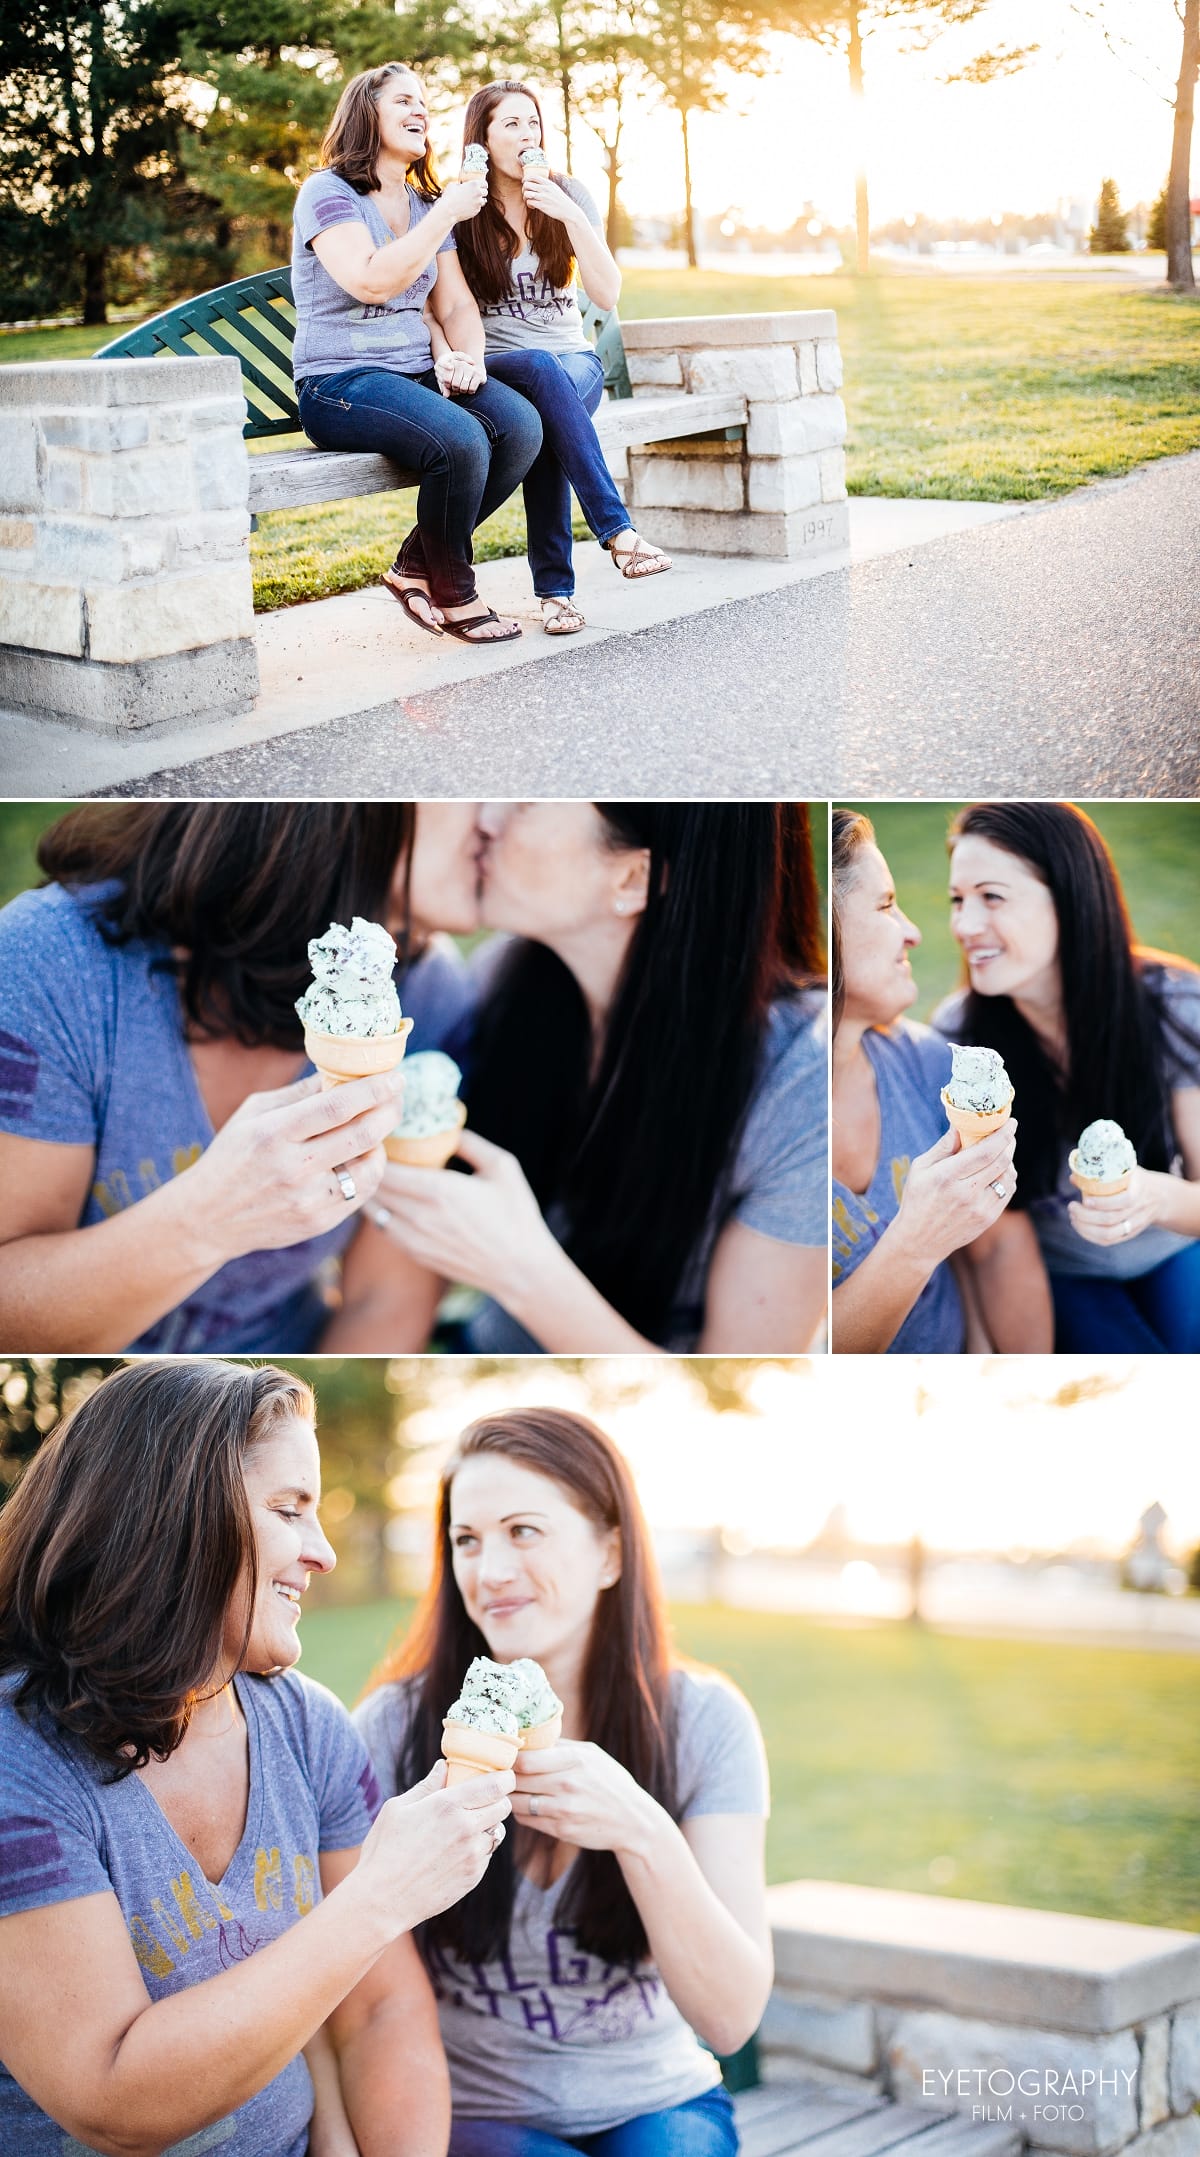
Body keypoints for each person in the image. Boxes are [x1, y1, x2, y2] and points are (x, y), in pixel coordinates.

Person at [0, 1358, 513, 2156]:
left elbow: (380, 2011)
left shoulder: (308, 1725)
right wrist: (382, 1893)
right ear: (173, 1518)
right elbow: (109, 2096)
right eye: (288, 1509)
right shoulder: (19, 1753)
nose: (324, 1553)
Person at [355, 1406, 772, 2154]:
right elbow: (354, 1975)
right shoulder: (394, 1726)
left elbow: (731, 2017)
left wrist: (641, 1831)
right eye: (466, 1540)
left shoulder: (705, 1721)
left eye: (523, 1531)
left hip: (656, 2098)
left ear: (610, 1552)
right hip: (470, 2109)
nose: (489, 1572)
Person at [0, 801, 483, 1353]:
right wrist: (210, 1220)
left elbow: (384, 1300)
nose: (498, 817)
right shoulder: (50, 961)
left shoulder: (431, 998)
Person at [366, 803, 828, 1351]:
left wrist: (518, 1266)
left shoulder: (802, 1085)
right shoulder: (505, 982)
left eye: (528, 799)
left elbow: (744, 1375)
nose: (486, 816)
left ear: (633, 878)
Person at [932, 801, 1200, 1353]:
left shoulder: (1175, 1004)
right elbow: (996, 1238)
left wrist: (1152, 1197)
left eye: (992, 897)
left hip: (1172, 1246)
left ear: (1070, 897)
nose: (964, 925)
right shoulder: (961, 1039)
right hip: (1060, 1271)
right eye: (958, 900)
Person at [292, 64, 543, 643]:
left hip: (416, 375)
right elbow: (369, 281)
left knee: (520, 426)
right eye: (404, 101)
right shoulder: (327, 193)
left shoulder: (428, 205)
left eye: (424, 103)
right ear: (367, 111)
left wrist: (468, 359)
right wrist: (449, 213)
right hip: (340, 384)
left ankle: (414, 565)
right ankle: (456, 595)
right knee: (462, 439)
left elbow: (454, 305)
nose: (420, 112)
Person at [450, 81, 671, 637]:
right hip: (498, 367)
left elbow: (607, 293)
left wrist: (568, 215)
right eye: (511, 124)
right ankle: (614, 538)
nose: (527, 135)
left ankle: (558, 594)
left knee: (551, 397)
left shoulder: (568, 192)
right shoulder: (463, 205)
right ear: (482, 138)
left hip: (572, 360)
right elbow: (445, 303)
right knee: (541, 375)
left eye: (533, 123)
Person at [831, 809, 1050, 1354]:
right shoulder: (744, 1122)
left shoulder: (929, 1064)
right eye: (885, 905)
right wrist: (915, 1243)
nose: (915, 932)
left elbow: (996, 1251)